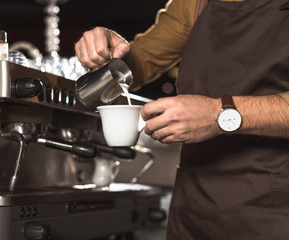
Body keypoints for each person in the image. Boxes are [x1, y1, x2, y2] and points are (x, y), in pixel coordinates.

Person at [75, 0, 289, 239]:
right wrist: (110, 52)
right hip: (193, 209)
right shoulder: (195, 3)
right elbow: (141, 61)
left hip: (272, 211)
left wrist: (219, 114)